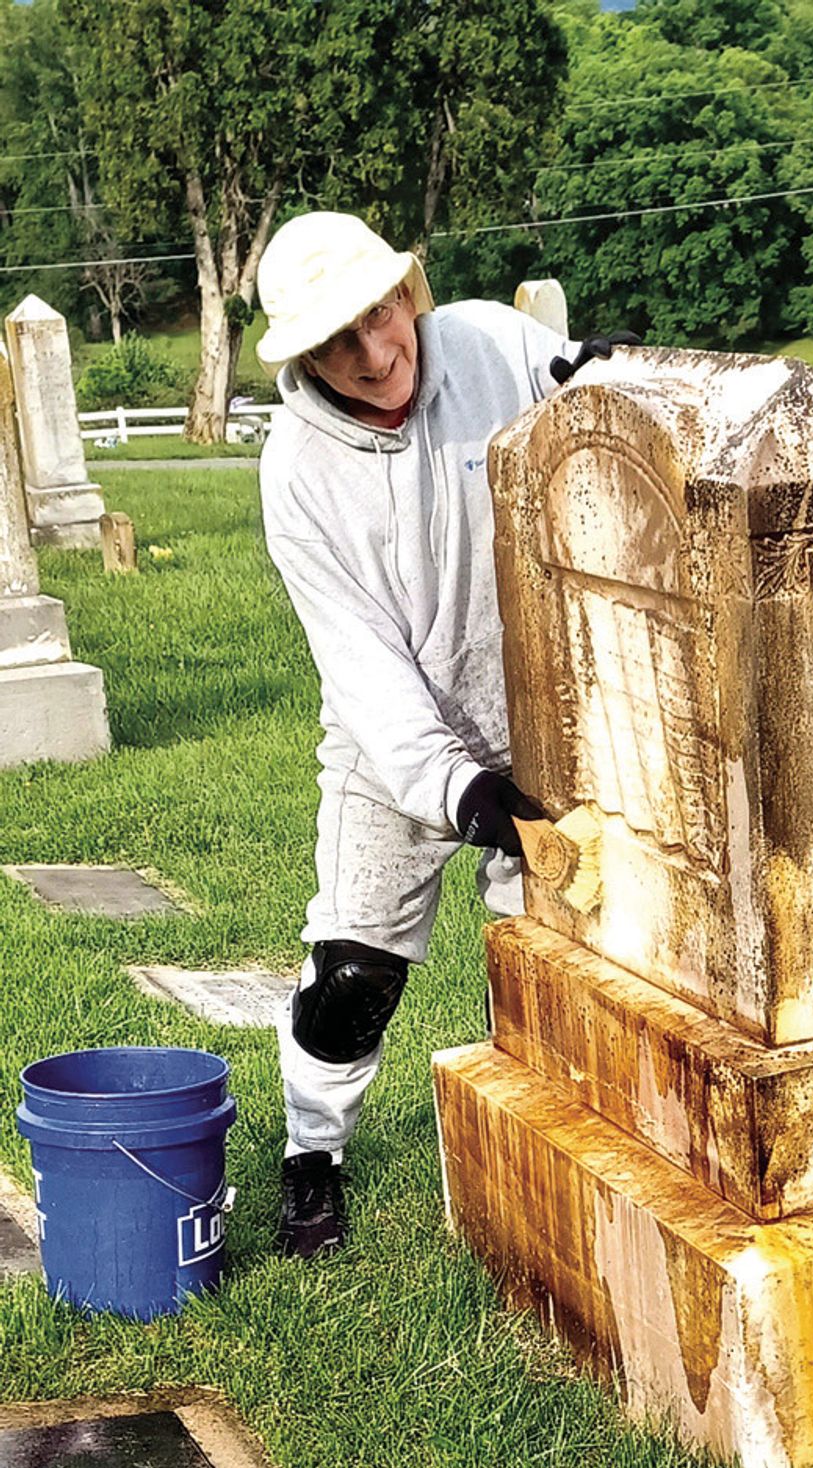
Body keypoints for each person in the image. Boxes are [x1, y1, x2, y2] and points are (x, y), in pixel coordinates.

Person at [255, 211, 630, 1257]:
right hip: (397, 749)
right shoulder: (296, 475)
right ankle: (311, 1156)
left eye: (381, 314)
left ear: (406, 290)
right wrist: (463, 791)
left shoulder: (487, 343)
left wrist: (620, 383)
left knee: (553, 958)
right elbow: (362, 663)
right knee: (351, 977)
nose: (378, 355)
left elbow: (600, 408)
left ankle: (552, 1153)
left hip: (545, 717)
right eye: (339, 343)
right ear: (305, 356)